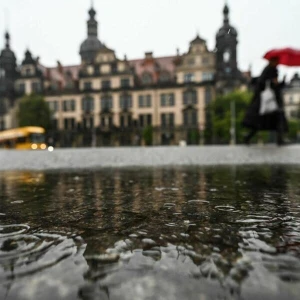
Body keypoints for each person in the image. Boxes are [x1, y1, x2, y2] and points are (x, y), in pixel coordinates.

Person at [243, 56, 288, 146]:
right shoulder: (272, 71)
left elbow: (257, 81)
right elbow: (275, 86)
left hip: (263, 100)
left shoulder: (266, 70)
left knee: (261, 121)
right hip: (270, 100)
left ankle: (248, 137)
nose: (278, 63)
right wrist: (282, 81)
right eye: (276, 61)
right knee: (277, 118)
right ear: (273, 61)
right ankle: (280, 139)